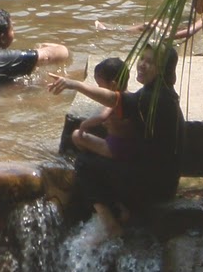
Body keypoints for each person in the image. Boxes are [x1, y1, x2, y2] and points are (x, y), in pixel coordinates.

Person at [48, 45, 182, 231]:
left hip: (153, 188)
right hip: (163, 182)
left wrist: (75, 84)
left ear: (163, 70)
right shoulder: (163, 94)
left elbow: (115, 99)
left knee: (84, 163)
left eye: (150, 62)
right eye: (142, 58)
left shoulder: (153, 99)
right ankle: (120, 210)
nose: (142, 65)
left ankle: (110, 222)